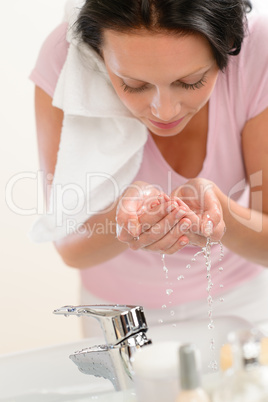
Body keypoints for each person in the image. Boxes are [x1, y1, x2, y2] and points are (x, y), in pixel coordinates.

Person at [30, 0, 268, 337]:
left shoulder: (258, 48)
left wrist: (222, 216)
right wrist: (122, 218)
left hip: (242, 299)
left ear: (228, 46)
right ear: (97, 56)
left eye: (191, 81)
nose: (165, 111)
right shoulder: (65, 62)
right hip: (118, 314)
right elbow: (69, 246)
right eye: (134, 85)